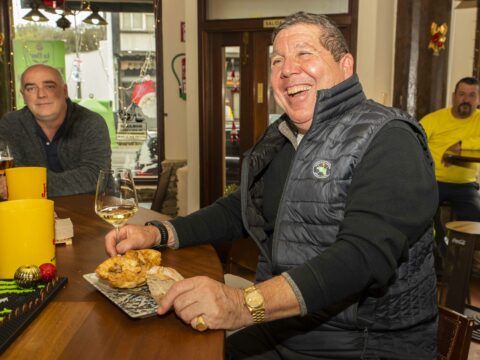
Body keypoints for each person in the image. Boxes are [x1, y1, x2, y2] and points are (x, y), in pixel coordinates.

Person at [104, 12, 439, 359]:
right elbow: (239, 210)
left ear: (346, 65)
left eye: (304, 54)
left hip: (363, 343)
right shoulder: (283, 137)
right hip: (285, 327)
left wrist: (242, 304)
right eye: (277, 59)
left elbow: (362, 256)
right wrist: (158, 233)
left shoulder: (390, 138)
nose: (287, 69)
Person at [0, 64, 111, 198]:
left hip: (88, 212)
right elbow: (10, 175)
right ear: (23, 96)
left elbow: (95, 177)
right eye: (31, 88)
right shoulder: (11, 124)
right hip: (30, 212)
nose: (41, 95)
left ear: (64, 91)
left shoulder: (90, 122)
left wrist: (25, 185)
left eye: (49, 86)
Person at [420, 77, 480, 222]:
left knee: (476, 216)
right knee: (417, 211)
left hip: (465, 185)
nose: (466, 99)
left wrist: (461, 145)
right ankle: (433, 244)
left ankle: (460, 245)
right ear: (453, 97)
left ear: (479, 99)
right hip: (432, 181)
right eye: (462, 94)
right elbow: (413, 139)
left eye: (472, 95)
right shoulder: (434, 119)